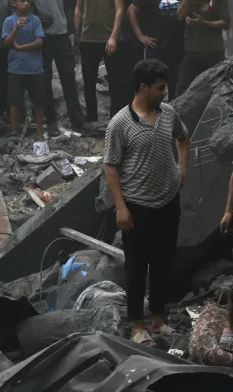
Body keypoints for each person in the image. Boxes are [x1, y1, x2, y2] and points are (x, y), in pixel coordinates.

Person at [104, 59, 189, 346]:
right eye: (160, 88)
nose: (165, 93)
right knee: (137, 267)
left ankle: (159, 319)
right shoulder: (120, 123)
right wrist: (121, 207)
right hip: (137, 208)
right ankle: (136, 324)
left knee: (164, 262)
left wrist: (182, 169)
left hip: (168, 201)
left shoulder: (168, 113)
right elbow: (111, 166)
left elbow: (184, 138)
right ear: (144, 88)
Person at [24, 0, 84, 132]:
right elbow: (23, 6)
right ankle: (51, 122)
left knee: (68, 79)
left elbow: (68, 5)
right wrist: (36, 18)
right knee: (44, 81)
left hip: (62, 35)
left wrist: (73, 32)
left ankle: (77, 119)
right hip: (41, 38)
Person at [76, 0, 127, 123]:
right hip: (88, 38)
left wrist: (113, 37)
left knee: (115, 82)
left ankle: (115, 121)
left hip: (109, 40)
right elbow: (79, 9)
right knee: (88, 83)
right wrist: (77, 35)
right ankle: (92, 120)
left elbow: (120, 11)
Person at [130, 0, 185, 99]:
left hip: (177, 47)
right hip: (155, 47)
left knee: (176, 86)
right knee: (152, 84)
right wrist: (140, 36)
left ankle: (174, 113)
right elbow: (131, 11)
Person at [176, 0, 229, 95]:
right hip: (192, 50)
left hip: (213, 50)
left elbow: (226, 23)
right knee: (183, 87)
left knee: (218, 88)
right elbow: (180, 16)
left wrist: (204, 23)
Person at [2, 0, 47, 138]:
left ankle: (40, 129)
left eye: (28, 1)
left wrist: (21, 46)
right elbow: (7, 42)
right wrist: (15, 29)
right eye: (22, 1)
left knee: (38, 100)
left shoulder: (35, 20)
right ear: (14, 4)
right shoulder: (9, 21)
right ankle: (14, 130)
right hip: (15, 68)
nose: (26, 4)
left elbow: (40, 41)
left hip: (35, 68)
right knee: (14, 100)